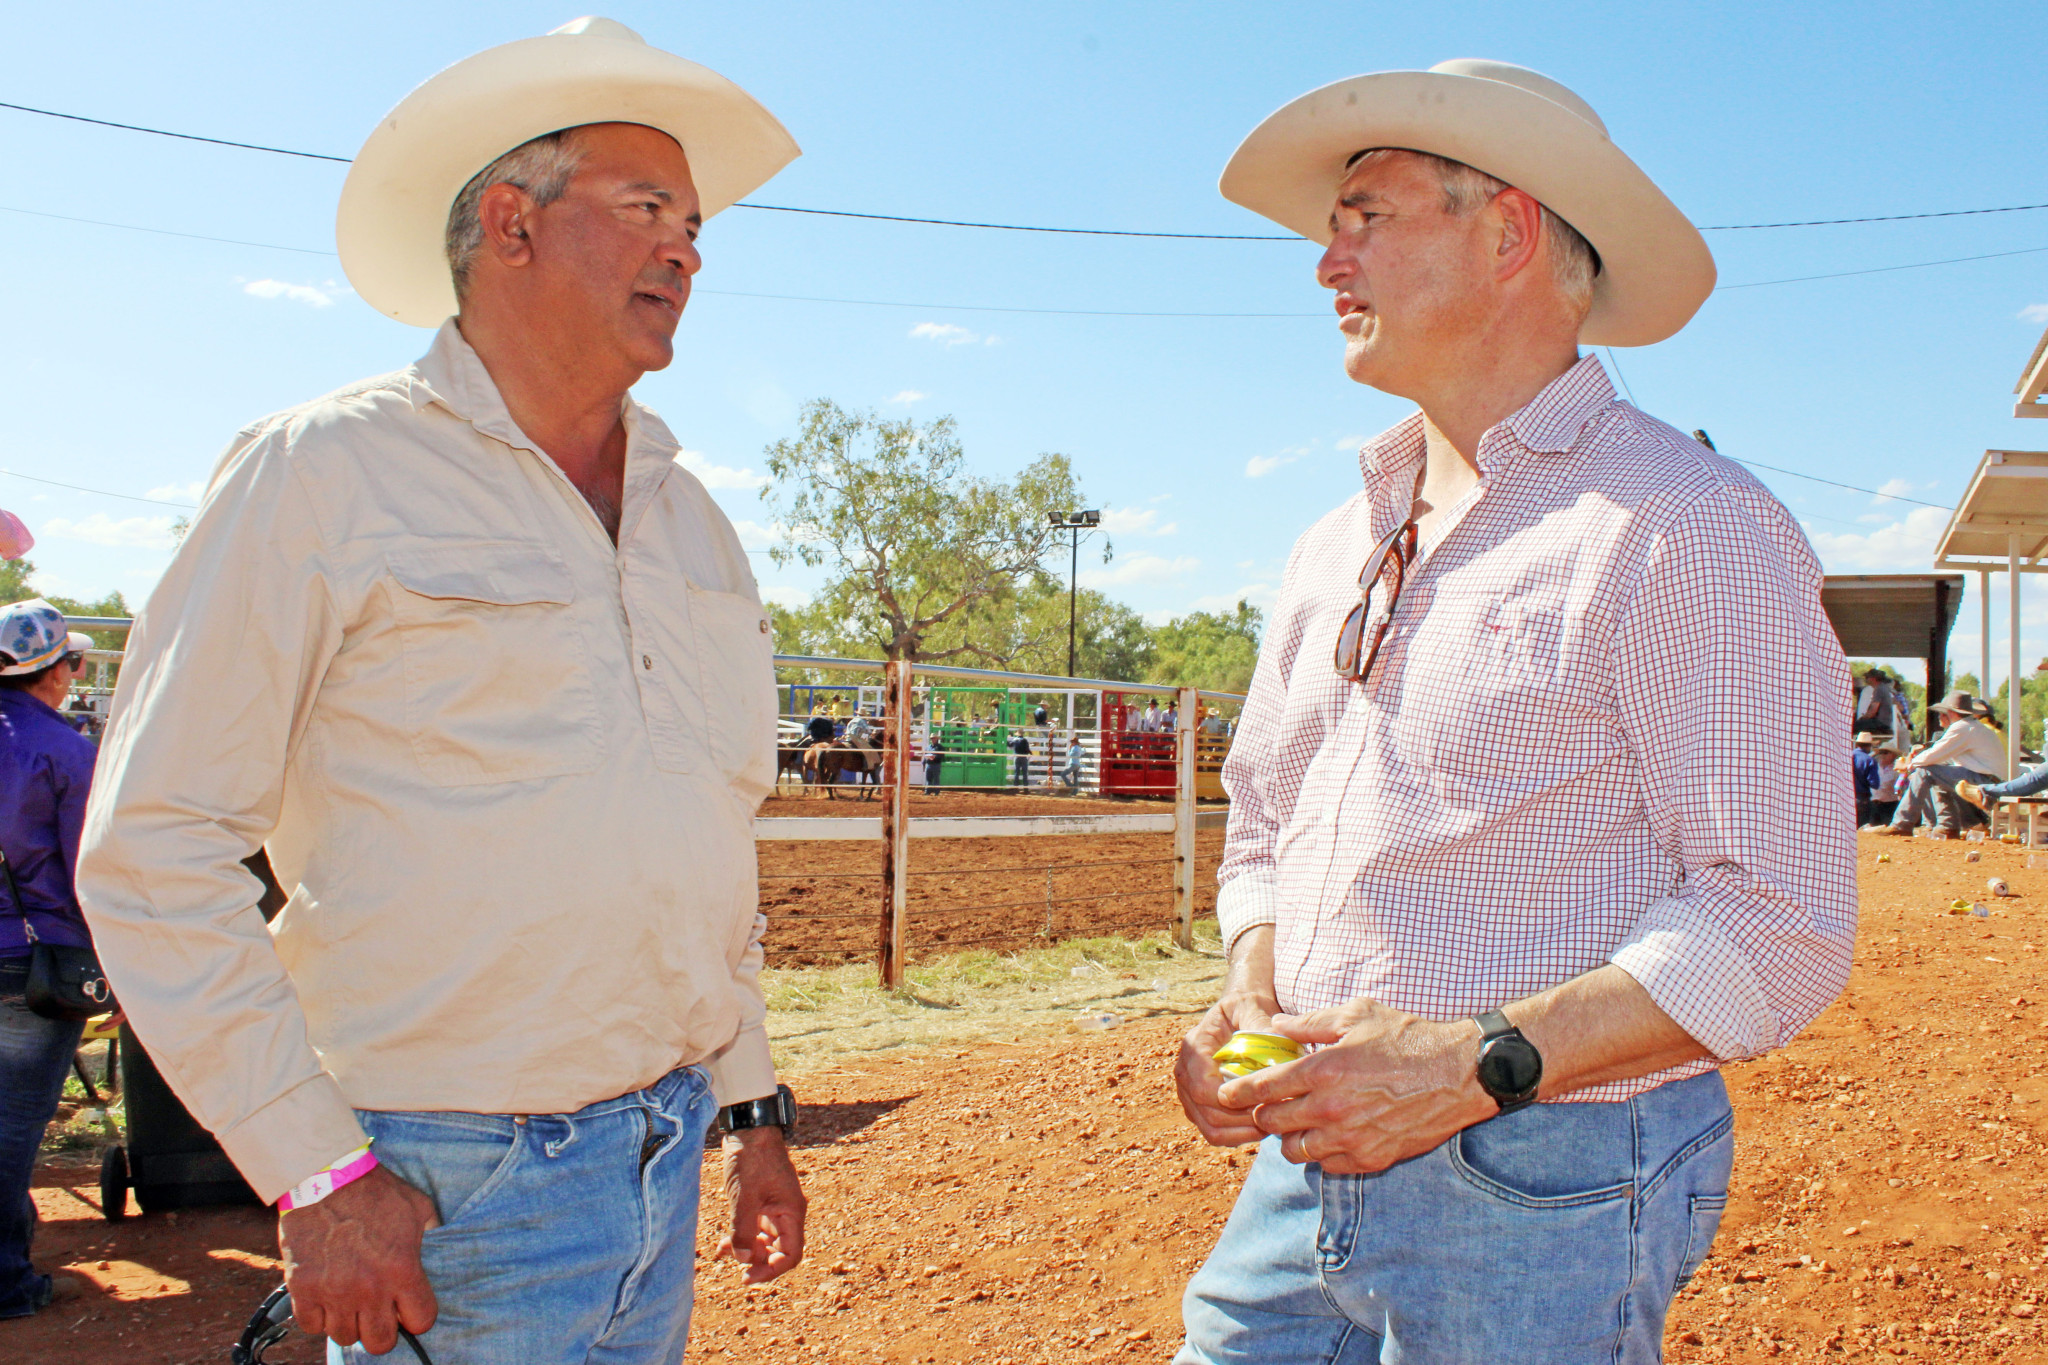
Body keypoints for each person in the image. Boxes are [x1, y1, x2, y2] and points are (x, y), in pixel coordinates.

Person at [76, 21, 807, 1363]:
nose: (689, 250)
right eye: (648, 210)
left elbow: (703, 832)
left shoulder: (690, 517)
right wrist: (318, 1174)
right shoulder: (324, 474)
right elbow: (154, 844)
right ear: (512, 224)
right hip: (440, 1181)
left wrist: (751, 1108)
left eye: (696, 224)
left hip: (663, 1140)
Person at [1175, 60, 1854, 1362]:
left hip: (1552, 1169)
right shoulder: (1336, 543)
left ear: (1508, 231)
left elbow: (1777, 920)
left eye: (1365, 216)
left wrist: (1468, 1063)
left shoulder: (1681, 526)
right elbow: (1264, 814)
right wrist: (1249, 989)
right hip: (1310, 1151)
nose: (1328, 263)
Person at [0, 601, 95, 1319]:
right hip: (33, 964)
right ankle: (6, 1281)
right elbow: (86, 871)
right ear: (57, 671)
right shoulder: (64, 750)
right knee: (10, 1128)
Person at [1877, 691, 2006, 839]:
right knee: (1935, 773)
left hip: (1984, 781)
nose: (1939, 716)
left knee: (1925, 772)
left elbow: (1935, 754)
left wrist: (1909, 765)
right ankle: (1947, 825)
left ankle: (1902, 824)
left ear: (1951, 712)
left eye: (1942, 713)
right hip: (1988, 780)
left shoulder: (1962, 727)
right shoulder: (1971, 726)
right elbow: (1939, 757)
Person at [1870, 736, 1903, 827]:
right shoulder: (1874, 767)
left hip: (1889, 805)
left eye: (1885, 753)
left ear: (1893, 755)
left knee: (1888, 830)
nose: (1882, 755)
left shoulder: (1897, 770)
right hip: (1874, 805)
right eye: (1881, 753)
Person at [1854, 668, 1894, 739]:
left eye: (1867, 677)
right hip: (1885, 722)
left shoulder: (1879, 689)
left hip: (1881, 723)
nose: (1866, 680)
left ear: (1873, 679)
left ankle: (1859, 744)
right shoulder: (1883, 688)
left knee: (1854, 726)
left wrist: (1864, 717)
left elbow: (1873, 710)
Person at [1851, 732, 1880, 829]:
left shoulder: (1847, 757)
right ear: (1869, 746)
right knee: (1861, 828)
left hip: (1846, 797)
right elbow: (1874, 783)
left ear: (1856, 744)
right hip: (1862, 799)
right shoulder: (1869, 760)